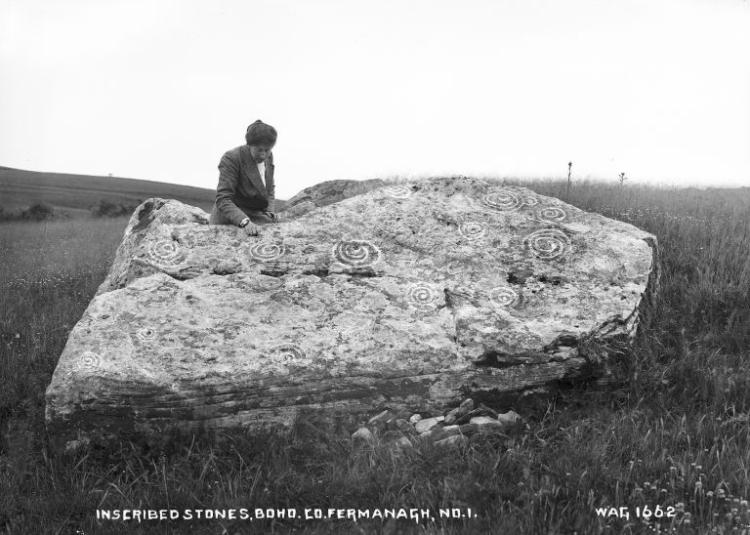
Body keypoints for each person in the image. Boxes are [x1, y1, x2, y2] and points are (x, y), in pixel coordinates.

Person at [209, 119, 279, 236]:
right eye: (259, 150)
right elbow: (223, 199)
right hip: (230, 218)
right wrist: (245, 222)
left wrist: (270, 212)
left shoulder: (269, 156)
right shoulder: (231, 158)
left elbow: (270, 189)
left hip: (256, 214)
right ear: (249, 145)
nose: (263, 154)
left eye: (267, 150)